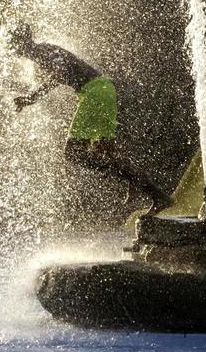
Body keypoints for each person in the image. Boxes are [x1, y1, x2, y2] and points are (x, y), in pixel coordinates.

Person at [10, 23, 172, 212]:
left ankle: (131, 179)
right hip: (104, 89)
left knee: (72, 152)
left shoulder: (42, 51)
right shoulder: (43, 51)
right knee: (107, 148)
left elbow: (60, 71)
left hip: (94, 92)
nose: (11, 49)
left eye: (12, 44)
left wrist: (32, 97)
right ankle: (154, 194)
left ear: (20, 43)